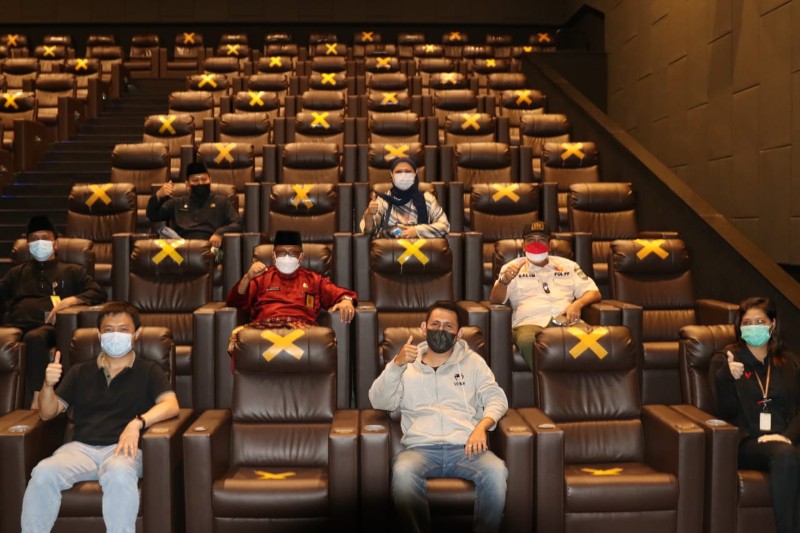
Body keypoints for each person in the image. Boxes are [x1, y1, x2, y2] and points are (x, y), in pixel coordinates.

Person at [20, 301, 180, 533]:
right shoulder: (80, 371)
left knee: (118, 474)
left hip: (123, 450)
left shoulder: (149, 370)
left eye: (123, 330)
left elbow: (171, 405)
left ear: (136, 334)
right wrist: (47, 385)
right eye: (109, 330)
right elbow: (47, 413)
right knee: (43, 472)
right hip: (80, 449)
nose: (116, 335)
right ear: (99, 334)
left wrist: (137, 423)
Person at [369, 300, 509, 533]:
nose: (441, 330)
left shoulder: (473, 362)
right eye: (435, 324)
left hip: (466, 448)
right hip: (420, 449)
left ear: (459, 333)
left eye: (448, 326)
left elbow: (497, 398)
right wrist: (396, 364)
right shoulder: (406, 365)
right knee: (403, 473)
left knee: (496, 471)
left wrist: (482, 427)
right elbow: (378, 401)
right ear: (424, 328)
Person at [709, 296, 800, 533]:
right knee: (786, 456)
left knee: (787, 452)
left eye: (760, 321)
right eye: (747, 323)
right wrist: (726, 378)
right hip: (747, 442)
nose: (753, 327)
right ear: (739, 327)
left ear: (773, 324)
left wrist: (787, 436)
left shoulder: (789, 363)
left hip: (785, 438)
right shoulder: (725, 361)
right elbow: (723, 413)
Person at [0, 215, 105, 408]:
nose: (39, 242)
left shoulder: (72, 270)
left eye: (44, 238)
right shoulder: (16, 273)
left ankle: (38, 397)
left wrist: (71, 301)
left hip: (48, 328)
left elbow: (97, 292)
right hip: (16, 326)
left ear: (55, 244)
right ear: (28, 245)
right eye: (34, 239)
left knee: (34, 338)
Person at [489, 220, 600, 369]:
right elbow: (496, 301)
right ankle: (552, 380)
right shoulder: (511, 268)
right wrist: (504, 281)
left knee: (594, 342)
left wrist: (577, 304)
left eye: (541, 239)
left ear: (549, 245)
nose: (536, 244)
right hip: (529, 323)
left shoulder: (568, 266)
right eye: (530, 239)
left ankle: (577, 380)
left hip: (567, 320)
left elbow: (593, 292)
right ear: (523, 245)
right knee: (528, 343)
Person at [226, 229, 357, 327]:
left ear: (301, 257)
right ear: (273, 256)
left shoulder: (313, 280)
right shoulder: (261, 278)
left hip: (303, 332)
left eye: (292, 253)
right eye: (282, 252)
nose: (287, 257)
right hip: (266, 330)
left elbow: (341, 294)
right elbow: (234, 303)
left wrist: (346, 301)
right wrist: (247, 277)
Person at [146, 161, 242, 249]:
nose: (200, 183)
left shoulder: (222, 201)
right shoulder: (177, 202)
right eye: (195, 180)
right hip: (182, 248)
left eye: (204, 179)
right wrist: (158, 196)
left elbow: (237, 224)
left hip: (210, 247)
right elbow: (153, 215)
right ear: (187, 184)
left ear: (210, 180)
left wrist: (219, 233)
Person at [360, 157, 450, 238]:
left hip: (421, 248)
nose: (403, 176)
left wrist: (417, 231)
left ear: (415, 175)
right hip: (390, 249)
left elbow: (444, 226)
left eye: (408, 172)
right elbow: (369, 231)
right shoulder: (383, 200)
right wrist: (369, 213)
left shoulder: (428, 199)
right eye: (399, 172)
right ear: (392, 176)